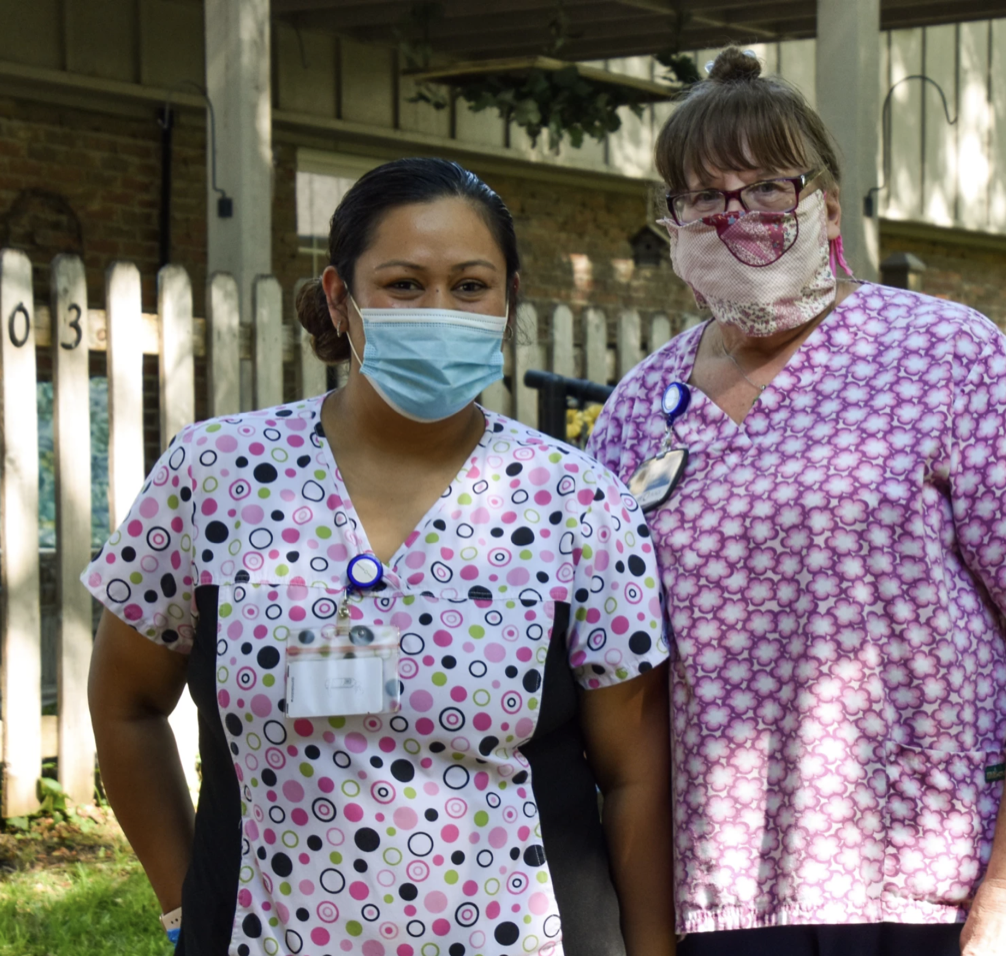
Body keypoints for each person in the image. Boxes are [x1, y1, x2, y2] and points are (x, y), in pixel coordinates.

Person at [587, 48, 1006, 956]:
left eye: (767, 189)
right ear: (672, 224)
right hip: (713, 893)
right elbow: (621, 685)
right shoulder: (638, 411)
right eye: (703, 198)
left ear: (827, 207)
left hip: (917, 884)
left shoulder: (944, 356)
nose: (738, 220)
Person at [86, 157, 676, 956]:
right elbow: (126, 704)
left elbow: (635, 773)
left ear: (507, 299)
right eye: (403, 284)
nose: (440, 309)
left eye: (471, 286)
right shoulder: (213, 474)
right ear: (341, 296)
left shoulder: (580, 503)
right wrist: (183, 903)